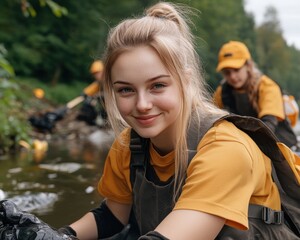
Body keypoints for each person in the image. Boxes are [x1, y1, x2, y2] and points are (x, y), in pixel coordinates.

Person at [1, 2, 299, 240]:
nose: (142, 106)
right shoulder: (128, 146)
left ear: (186, 81)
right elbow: (112, 216)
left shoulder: (227, 148)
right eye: (126, 90)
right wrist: (60, 235)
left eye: (158, 86)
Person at [213, 40, 298, 149]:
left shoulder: (267, 86)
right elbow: (212, 123)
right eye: (227, 72)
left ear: (248, 65)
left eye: (236, 70)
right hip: (244, 147)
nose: (233, 76)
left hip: (279, 147)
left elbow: (268, 127)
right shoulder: (221, 93)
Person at [77, 60, 108, 126]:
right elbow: (87, 91)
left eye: (97, 73)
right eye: (94, 74)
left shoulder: (110, 81)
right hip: (105, 109)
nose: (96, 76)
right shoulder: (98, 83)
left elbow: (114, 94)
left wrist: (99, 95)